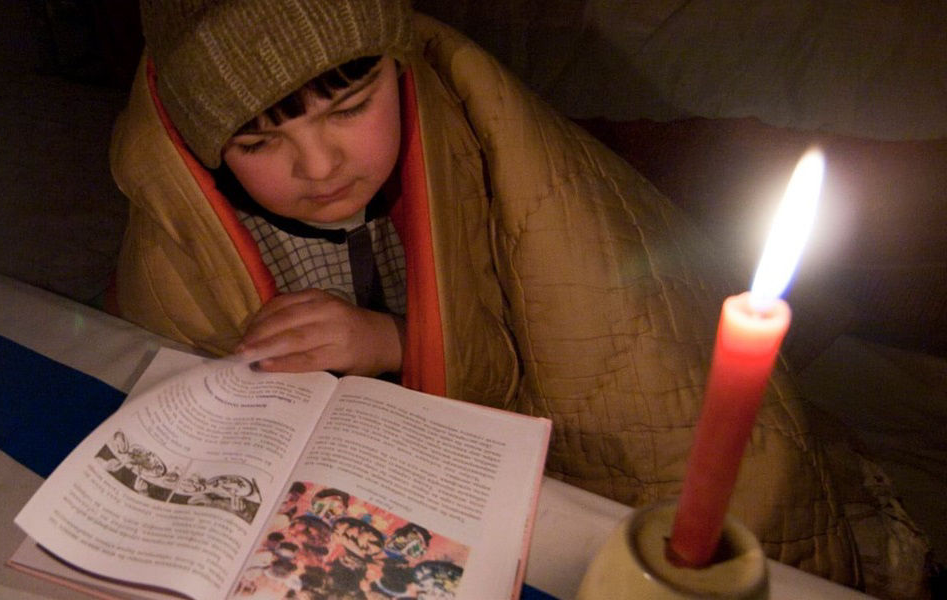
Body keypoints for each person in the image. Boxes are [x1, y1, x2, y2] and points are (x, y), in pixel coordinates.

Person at [111, 0, 928, 593]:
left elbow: (574, 322)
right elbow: (181, 364)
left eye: (350, 108)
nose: (320, 167)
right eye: (261, 142)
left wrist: (391, 340)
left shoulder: (478, 153)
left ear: (403, 77)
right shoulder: (201, 228)